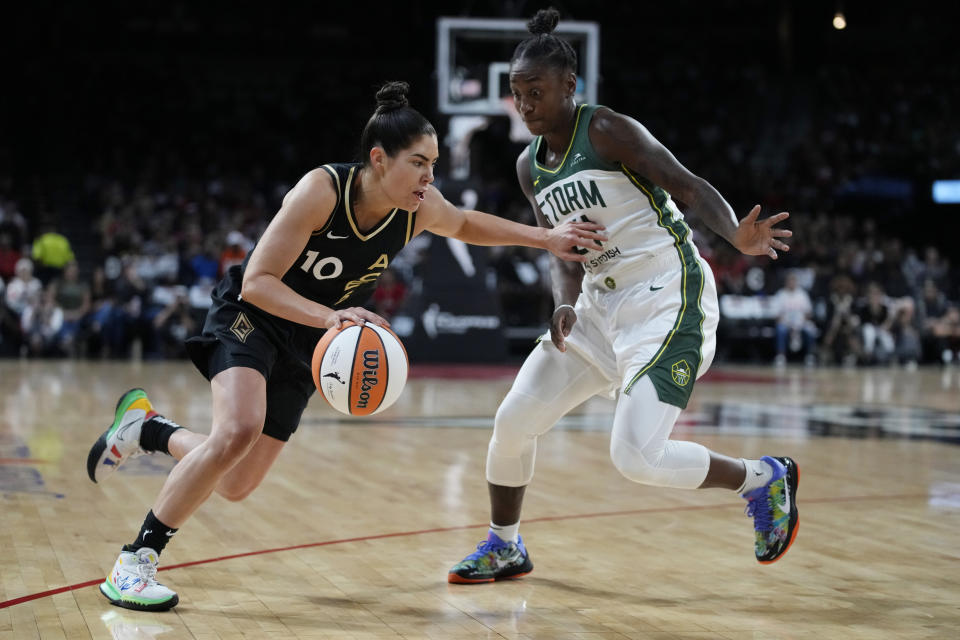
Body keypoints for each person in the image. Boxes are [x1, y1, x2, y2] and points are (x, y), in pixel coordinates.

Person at [84, 81, 605, 612]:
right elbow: (257, 282)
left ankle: (147, 429)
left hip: (314, 339)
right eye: (419, 162)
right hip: (252, 318)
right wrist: (331, 316)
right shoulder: (322, 191)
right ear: (379, 159)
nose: (430, 176)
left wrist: (547, 238)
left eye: (434, 164)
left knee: (235, 481)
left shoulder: (417, 208)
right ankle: (134, 562)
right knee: (237, 429)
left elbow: (467, 224)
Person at [447, 8, 797, 585]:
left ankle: (762, 478)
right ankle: (504, 545)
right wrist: (562, 301)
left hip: (665, 295)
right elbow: (563, 248)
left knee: (636, 457)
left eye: (536, 91)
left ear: (569, 86)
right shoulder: (528, 167)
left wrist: (734, 232)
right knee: (512, 421)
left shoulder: (607, 129)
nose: (526, 105)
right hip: (596, 308)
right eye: (516, 94)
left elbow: (688, 184)